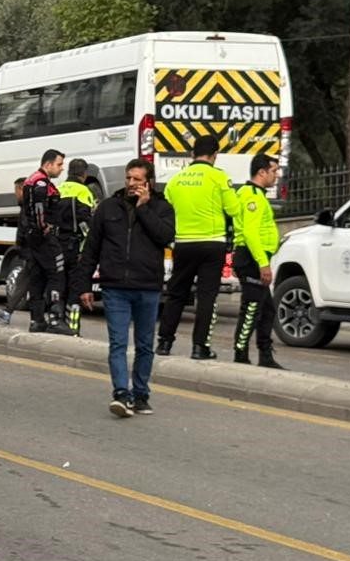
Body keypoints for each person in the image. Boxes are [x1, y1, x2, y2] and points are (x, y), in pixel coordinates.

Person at [73, 159, 177, 417]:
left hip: (147, 287)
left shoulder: (162, 208)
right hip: (115, 286)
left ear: (148, 183)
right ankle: (121, 393)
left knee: (144, 345)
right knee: (118, 343)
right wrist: (84, 284)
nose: (131, 184)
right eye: (129, 178)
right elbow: (91, 248)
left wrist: (143, 209)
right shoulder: (109, 207)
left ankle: (140, 394)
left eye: (137, 180)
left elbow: (165, 237)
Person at [157, 134, 242, 359]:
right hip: (212, 244)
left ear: (192, 154)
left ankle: (164, 343)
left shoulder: (176, 180)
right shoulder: (218, 177)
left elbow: (166, 210)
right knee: (206, 297)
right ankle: (199, 347)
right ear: (215, 155)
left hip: (183, 244)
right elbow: (234, 210)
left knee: (176, 294)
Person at [232, 153, 284, 369]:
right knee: (252, 307)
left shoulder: (255, 194)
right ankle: (240, 353)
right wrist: (263, 264)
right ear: (261, 172)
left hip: (256, 256)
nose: (277, 176)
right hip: (253, 258)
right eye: (274, 171)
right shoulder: (252, 196)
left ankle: (265, 355)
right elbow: (251, 233)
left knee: (268, 309)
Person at [20, 149, 72, 334]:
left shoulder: (31, 180)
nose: (61, 169)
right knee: (57, 274)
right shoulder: (40, 182)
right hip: (44, 239)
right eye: (59, 165)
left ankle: (37, 320)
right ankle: (56, 319)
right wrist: (45, 227)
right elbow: (40, 209)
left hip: (33, 238)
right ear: (48, 164)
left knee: (37, 277)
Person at [58, 159, 98, 335]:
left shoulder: (58, 189)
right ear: (84, 174)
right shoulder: (84, 191)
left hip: (57, 247)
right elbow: (85, 221)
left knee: (59, 286)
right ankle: (73, 328)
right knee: (75, 289)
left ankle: (56, 323)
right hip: (75, 247)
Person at [0, 177, 28, 325]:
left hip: (32, 252)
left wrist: (21, 247)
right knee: (24, 280)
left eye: (16, 190)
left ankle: (8, 312)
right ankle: (8, 311)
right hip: (33, 252)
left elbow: (25, 230)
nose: (15, 194)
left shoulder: (28, 207)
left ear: (21, 189)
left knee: (25, 280)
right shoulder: (28, 206)